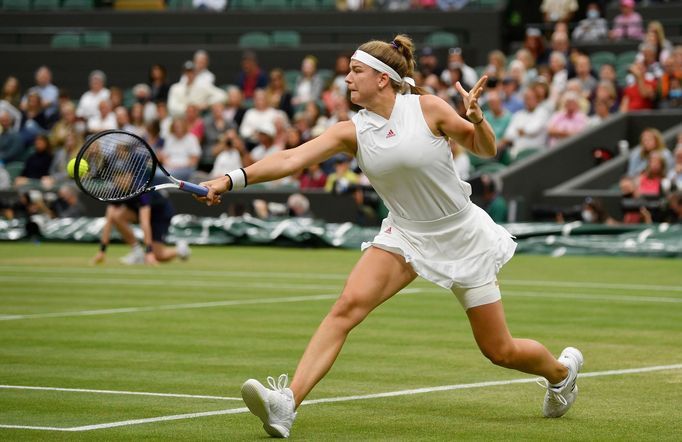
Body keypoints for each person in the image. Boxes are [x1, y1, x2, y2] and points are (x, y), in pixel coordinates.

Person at [196, 34, 583, 438]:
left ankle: (561, 373)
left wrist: (476, 118)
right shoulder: (353, 131)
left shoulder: (428, 108)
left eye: (355, 71)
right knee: (346, 307)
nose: (346, 78)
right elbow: (292, 158)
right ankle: (287, 402)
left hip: (462, 238)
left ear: (383, 79)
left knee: (498, 350)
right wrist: (229, 179)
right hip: (405, 234)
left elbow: (486, 149)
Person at [93, 191, 190, 265]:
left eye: (123, 175)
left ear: (130, 175)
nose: (120, 179)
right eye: (116, 176)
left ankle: (180, 250)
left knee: (158, 256)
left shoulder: (142, 191)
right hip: (139, 211)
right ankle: (137, 252)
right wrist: (102, 251)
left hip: (160, 214)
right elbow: (109, 220)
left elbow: (145, 222)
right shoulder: (116, 191)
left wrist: (149, 252)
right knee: (116, 216)